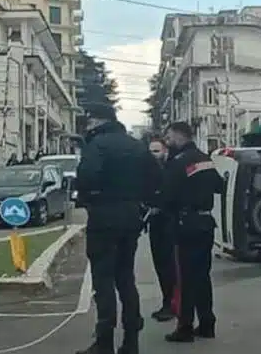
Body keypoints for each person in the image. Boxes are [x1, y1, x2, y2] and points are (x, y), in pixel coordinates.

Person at [75, 105, 159, 354]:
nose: (88, 127)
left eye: (89, 122)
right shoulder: (136, 146)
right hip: (131, 217)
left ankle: (104, 342)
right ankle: (131, 339)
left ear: (97, 121)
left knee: (103, 280)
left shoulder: (97, 145)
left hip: (103, 217)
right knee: (126, 278)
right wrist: (139, 200)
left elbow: (86, 178)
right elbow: (156, 179)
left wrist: (90, 196)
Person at [161, 121, 224, 342]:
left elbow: (166, 196)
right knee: (202, 277)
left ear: (179, 137)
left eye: (169, 138)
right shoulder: (205, 159)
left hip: (185, 225)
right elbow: (220, 186)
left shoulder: (177, 163)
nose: (167, 143)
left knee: (185, 278)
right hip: (206, 224)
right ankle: (207, 323)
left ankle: (185, 327)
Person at [145, 137, 177, 322]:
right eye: (150, 152)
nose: (153, 155)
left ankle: (172, 304)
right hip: (154, 223)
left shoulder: (171, 169)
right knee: (160, 266)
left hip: (169, 223)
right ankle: (167, 302)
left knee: (170, 266)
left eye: (156, 151)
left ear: (165, 151)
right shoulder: (148, 172)